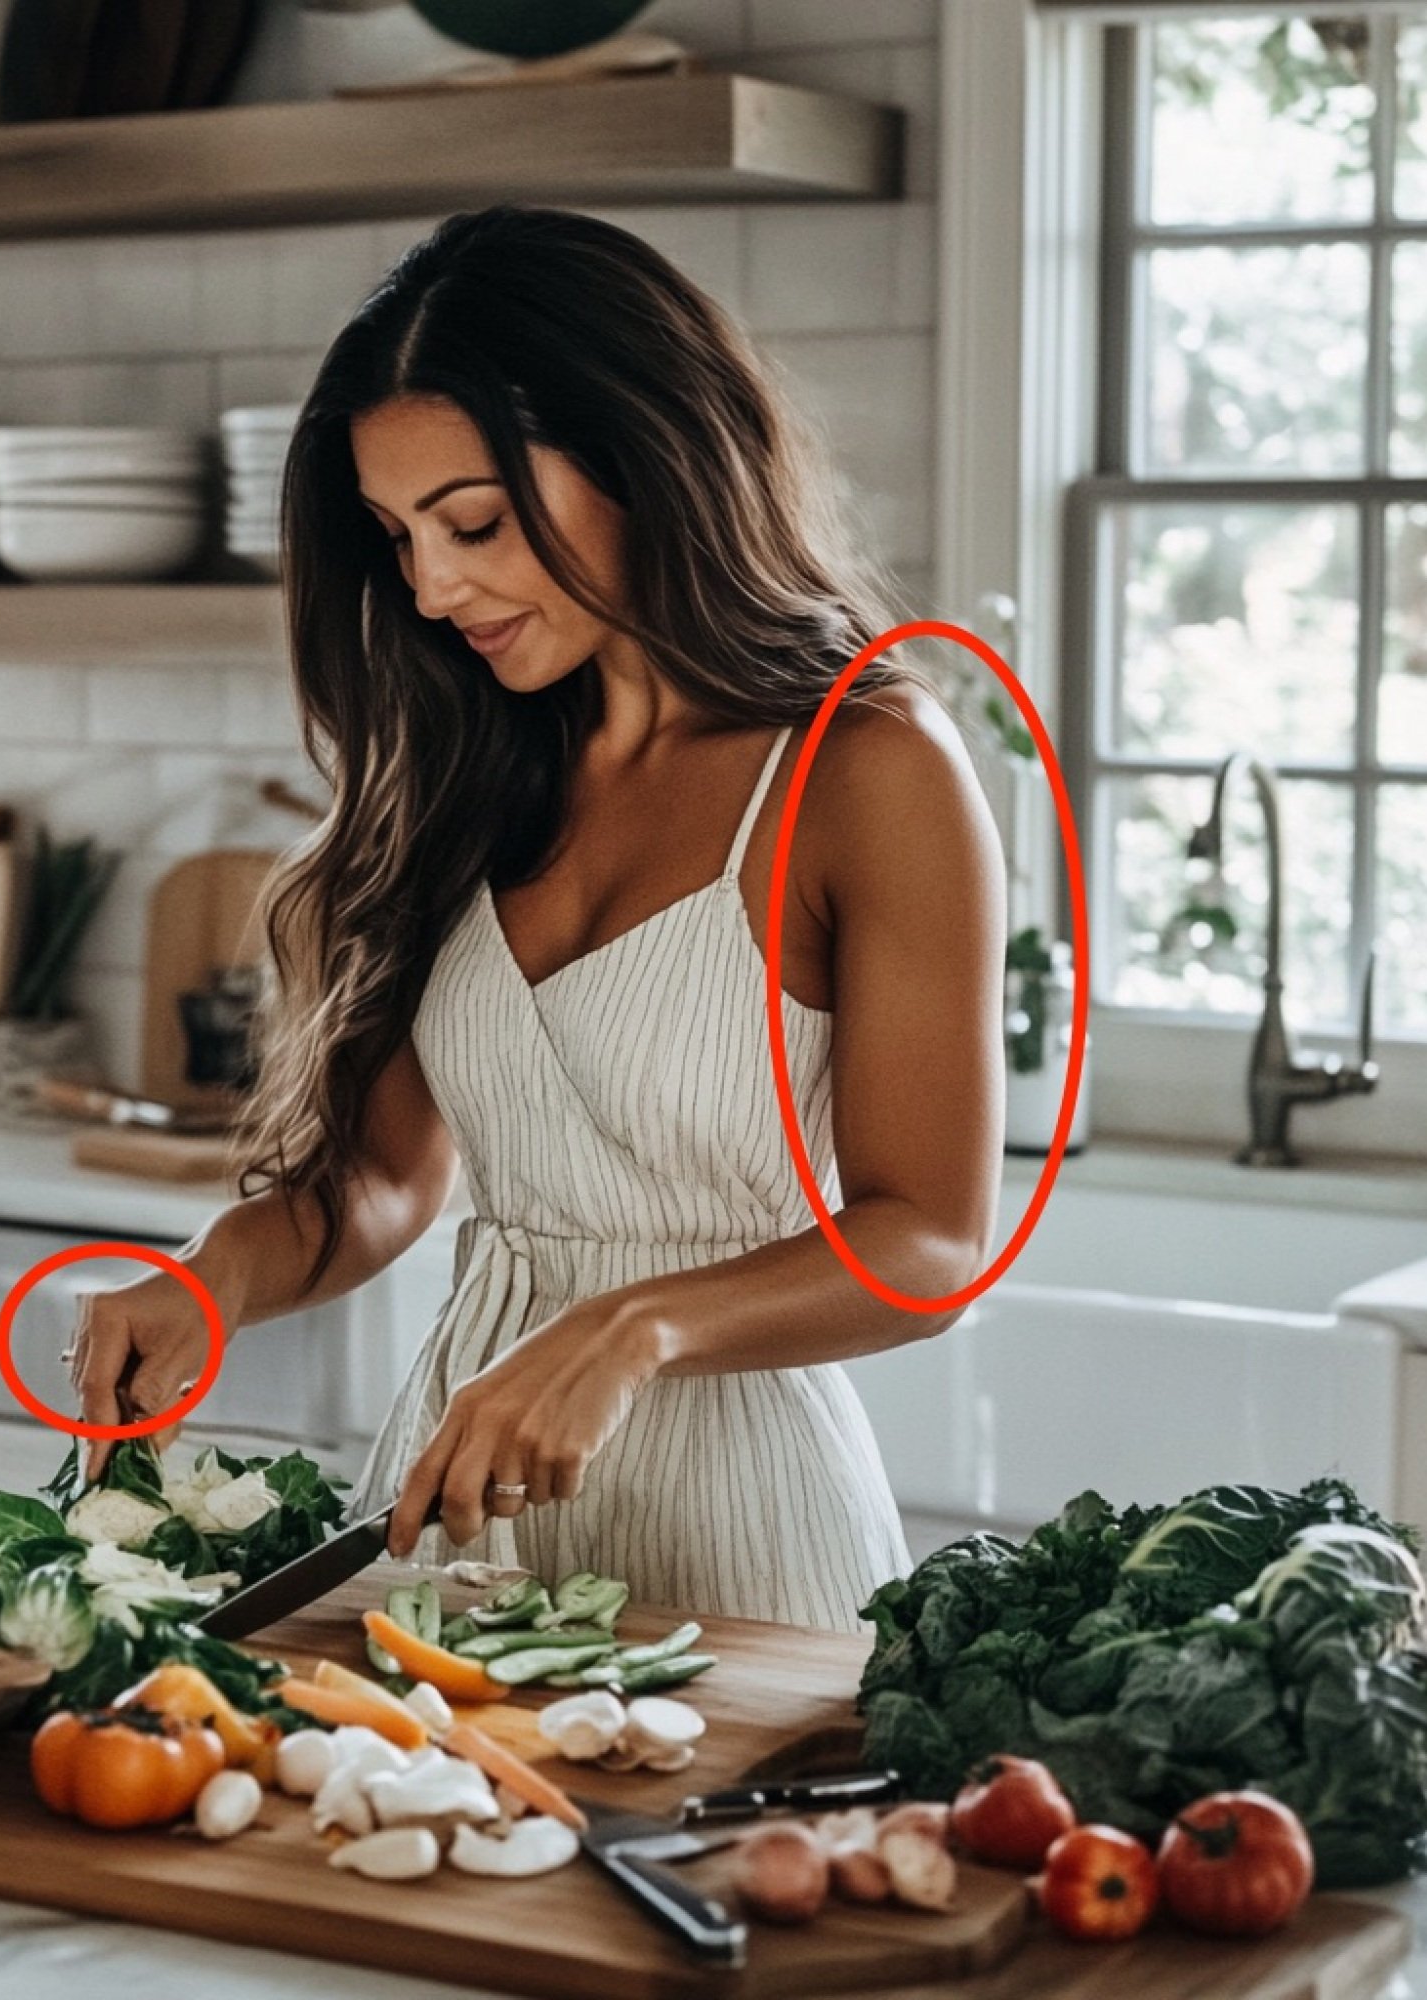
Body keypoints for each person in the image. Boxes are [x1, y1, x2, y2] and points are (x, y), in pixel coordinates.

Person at [64, 205, 1005, 1629]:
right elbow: (385, 1181)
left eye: (476, 524)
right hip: (450, 1515)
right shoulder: (470, 756)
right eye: (398, 539)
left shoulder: (870, 765)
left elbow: (931, 1243)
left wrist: (636, 1327)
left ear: (644, 453)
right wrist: (213, 1278)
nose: (434, 590)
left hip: (746, 1532)